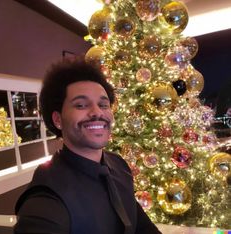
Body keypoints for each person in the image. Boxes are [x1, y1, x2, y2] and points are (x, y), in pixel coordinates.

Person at [14, 59, 162, 234]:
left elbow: (140, 226)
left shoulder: (119, 165)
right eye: (81, 105)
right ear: (58, 120)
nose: (97, 112)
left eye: (103, 104)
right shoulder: (45, 201)